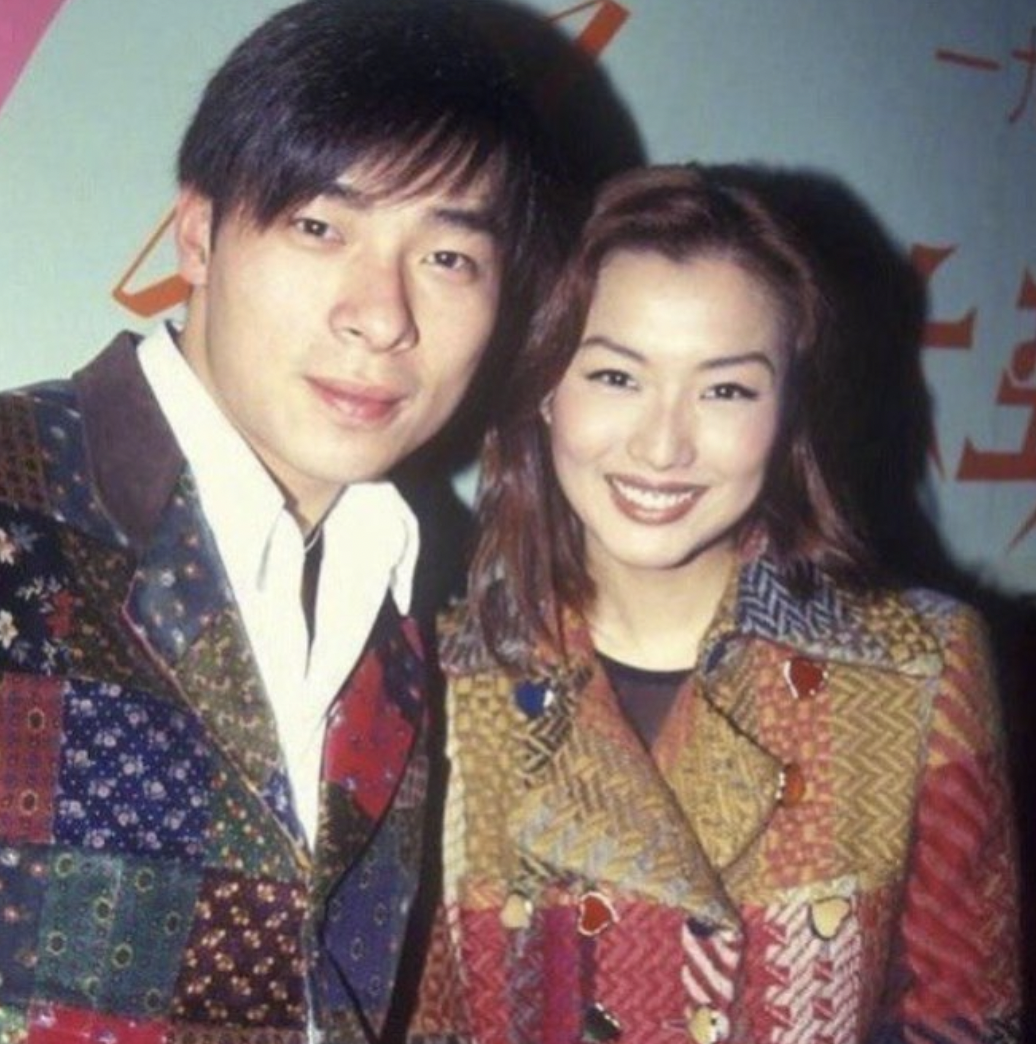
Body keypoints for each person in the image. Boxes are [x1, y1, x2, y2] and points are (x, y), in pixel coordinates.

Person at [0, 0, 565, 1040]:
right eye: (320, 227)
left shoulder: (402, 603)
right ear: (198, 233)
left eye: (448, 258)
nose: (382, 315)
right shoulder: (20, 490)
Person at [407, 165, 1022, 1043]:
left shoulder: (918, 665)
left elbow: (966, 1021)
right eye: (616, 377)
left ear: (788, 411)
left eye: (726, 389)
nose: (664, 445)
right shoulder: (441, 677)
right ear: (546, 387)